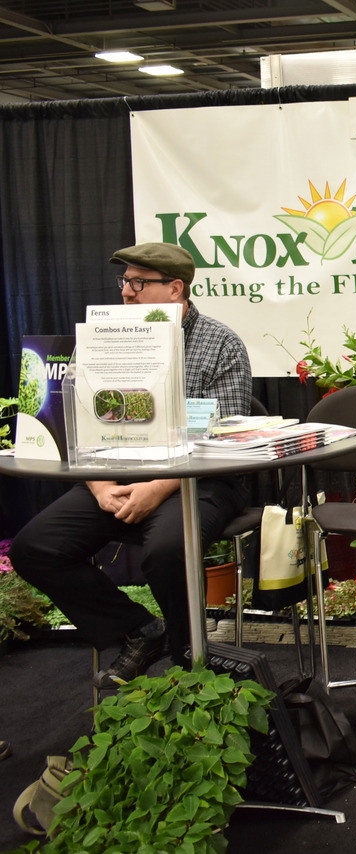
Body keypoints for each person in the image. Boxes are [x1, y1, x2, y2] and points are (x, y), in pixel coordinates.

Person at [11, 243, 251, 688]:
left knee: (166, 550)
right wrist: (100, 486)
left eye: (139, 282)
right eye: (125, 281)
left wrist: (157, 487)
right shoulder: (102, 339)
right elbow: (78, 424)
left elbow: (221, 437)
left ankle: (190, 663)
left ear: (175, 289)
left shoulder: (220, 344)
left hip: (198, 480)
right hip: (115, 475)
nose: (126, 291)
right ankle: (139, 631)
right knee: (35, 547)